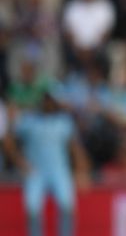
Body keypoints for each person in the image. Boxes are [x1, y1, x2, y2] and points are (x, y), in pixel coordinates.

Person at [4, 92, 90, 236]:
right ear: (42, 101)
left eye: (51, 100)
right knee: (32, 209)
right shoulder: (29, 121)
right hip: (35, 171)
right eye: (46, 100)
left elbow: (75, 148)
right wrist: (20, 162)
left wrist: (81, 171)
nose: (49, 104)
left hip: (59, 170)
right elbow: (8, 140)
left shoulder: (64, 122)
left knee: (67, 206)